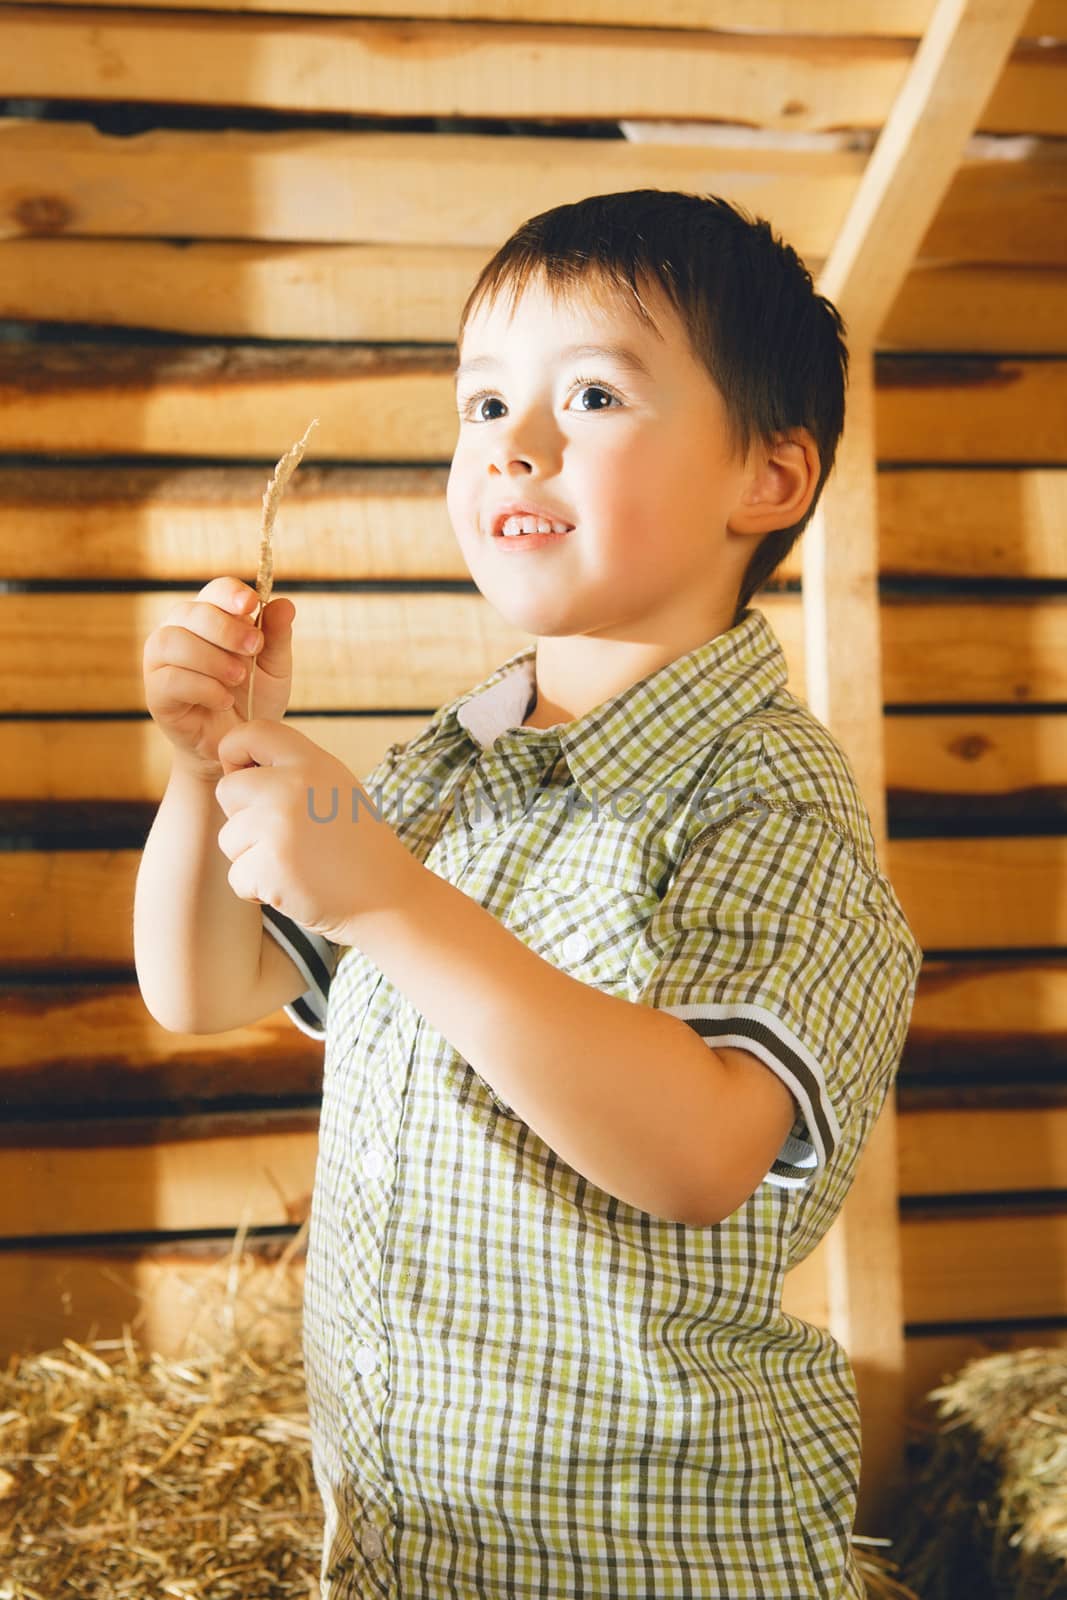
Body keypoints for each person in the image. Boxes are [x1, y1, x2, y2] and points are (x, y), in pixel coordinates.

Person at [136, 188, 924, 1598]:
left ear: (770, 479)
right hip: (413, 1546)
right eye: (483, 403)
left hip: (652, 1555)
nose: (519, 445)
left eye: (595, 395)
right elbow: (201, 989)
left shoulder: (768, 803)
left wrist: (384, 899)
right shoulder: (460, 769)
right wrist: (210, 768)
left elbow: (700, 1153)